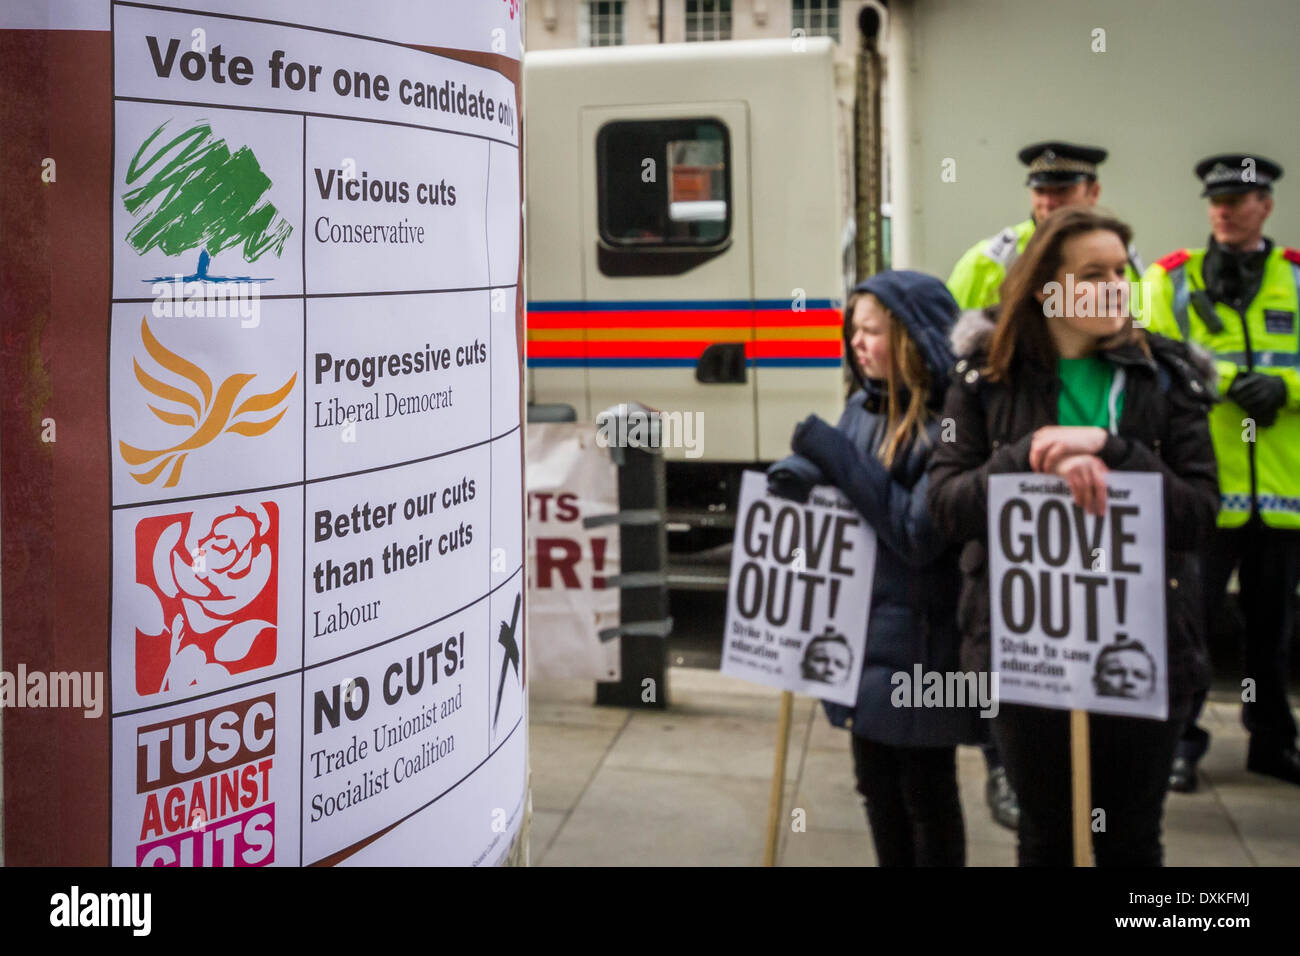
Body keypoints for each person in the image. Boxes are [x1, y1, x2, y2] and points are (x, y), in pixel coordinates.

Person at [928, 206, 1218, 866]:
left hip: (1144, 649)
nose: (1117, 285)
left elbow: (1200, 514)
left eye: (1122, 270)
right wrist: (1029, 453)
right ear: (1044, 288)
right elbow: (944, 506)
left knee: (1130, 841)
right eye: (1094, 274)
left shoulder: (1166, 379)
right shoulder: (980, 384)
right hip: (1027, 652)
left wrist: (1113, 451)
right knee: (1048, 837)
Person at [767, 270, 978, 867]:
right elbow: (846, 469)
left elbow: (915, 534)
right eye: (853, 330)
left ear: (914, 337)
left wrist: (827, 452)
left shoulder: (952, 422)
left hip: (925, 645)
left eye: (873, 331)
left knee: (925, 793)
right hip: (866, 638)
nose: (858, 343)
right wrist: (800, 471)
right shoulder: (864, 404)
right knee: (877, 788)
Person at [1142, 153, 1300, 790]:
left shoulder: (1295, 276)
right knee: (1189, 627)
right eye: (1216, 200)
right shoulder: (1171, 278)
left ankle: (1271, 742)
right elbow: (1154, 353)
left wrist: (1285, 387)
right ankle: (1180, 742)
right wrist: (1232, 381)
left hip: (1284, 494)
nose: (1224, 210)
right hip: (1204, 493)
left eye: (1238, 199)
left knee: (1273, 633)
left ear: (1266, 204)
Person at [948, 141, 1144, 312]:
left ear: (1094, 192)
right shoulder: (988, 260)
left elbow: (1140, 326)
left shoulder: (1118, 256)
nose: (1049, 202)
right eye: (1040, 191)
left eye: (1062, 190)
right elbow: (950, 336)